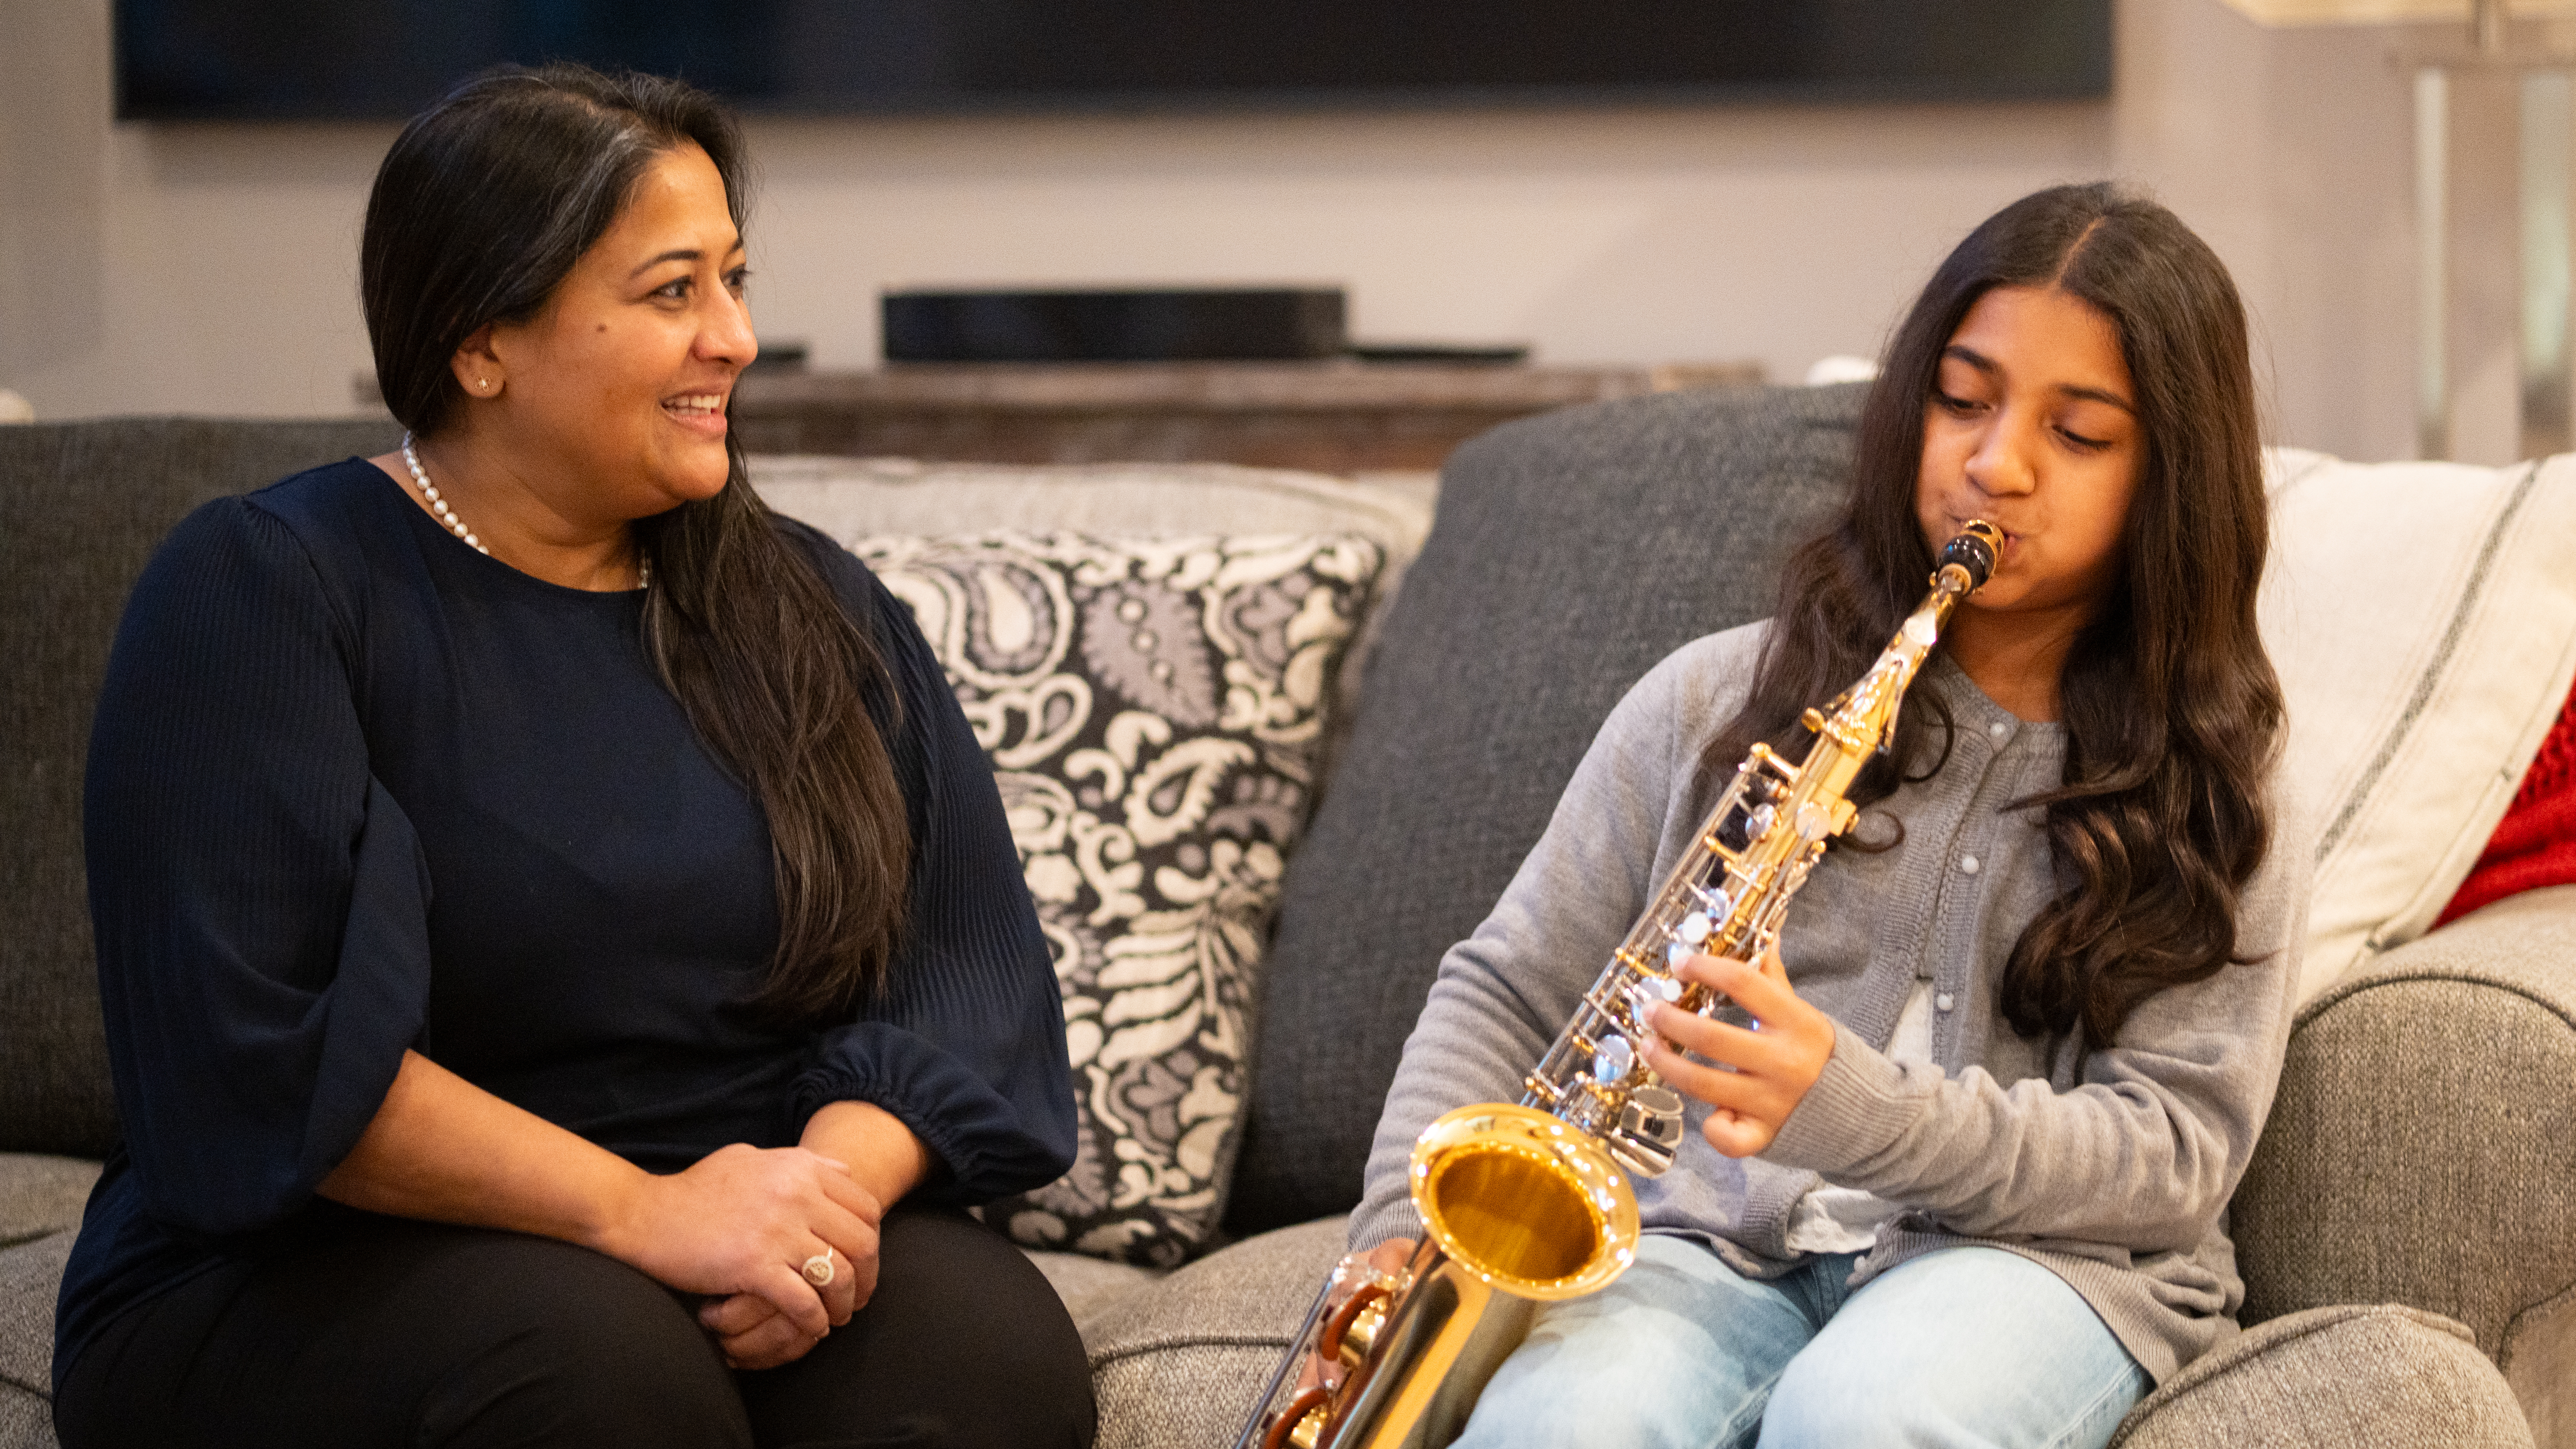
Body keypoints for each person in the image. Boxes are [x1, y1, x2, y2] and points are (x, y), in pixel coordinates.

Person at [53, 64, 1092, 1449]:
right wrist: (650, 1216)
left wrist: (813, 1216)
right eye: (674, 293)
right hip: (319, 1250)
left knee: (988, 1367)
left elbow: (968, 977)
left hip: (745, 1194)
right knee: (599, 1380)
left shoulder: (811, 604)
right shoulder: (264, 594)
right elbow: (261, 1059)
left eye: (734, 280)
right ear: (481, 342)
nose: (735, 338)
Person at [1336, 183, 2307, 1448]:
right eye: (1963, 401)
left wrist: (1850, 1106)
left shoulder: (2221, 774)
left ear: (2171, 477)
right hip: (1705, 1244)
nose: (1994, 465)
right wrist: (1389, 1258)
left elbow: (2175, 1154)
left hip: (2045, 1263)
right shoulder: (1713, 698)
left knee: (1867, 1417)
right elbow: (1511, 990)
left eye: (2078, 435)